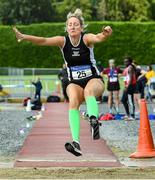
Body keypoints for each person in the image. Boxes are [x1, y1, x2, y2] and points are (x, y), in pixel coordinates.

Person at [13, 9, 112, 156]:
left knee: (88, 92)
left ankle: (93, 120)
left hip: (93, 79)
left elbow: (98, 37)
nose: (72, 27)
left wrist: (105, 33)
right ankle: (76, 142)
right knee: (73, 101)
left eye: (76, 24)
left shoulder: (86, 39)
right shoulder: (62, 41)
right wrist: (24, 36)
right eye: (70, 24)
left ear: (81, 28)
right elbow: (43, 40)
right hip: (75, 82)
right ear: (66, 28)